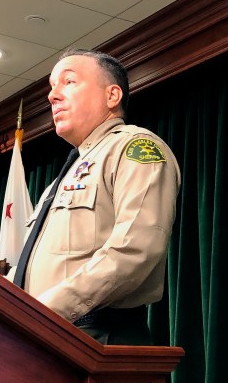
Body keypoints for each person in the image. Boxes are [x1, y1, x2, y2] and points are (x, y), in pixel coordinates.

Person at [10, 49, 181, 346]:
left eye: (69, 82)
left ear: (112, 96)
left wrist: (41, 311)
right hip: (42, 336)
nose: (53, 96)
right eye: (52, 87)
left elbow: (133, 251)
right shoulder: (62, 178)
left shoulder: (135, 148)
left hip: (98, 339)